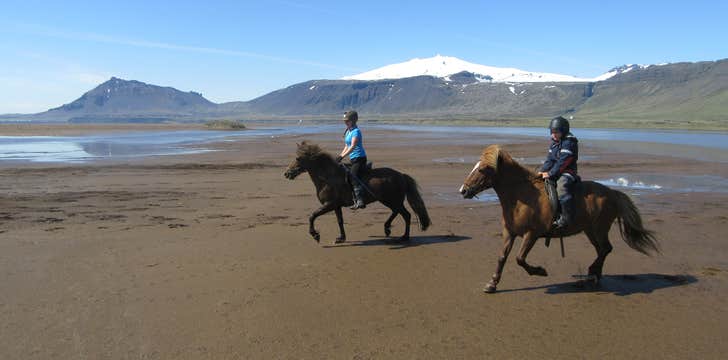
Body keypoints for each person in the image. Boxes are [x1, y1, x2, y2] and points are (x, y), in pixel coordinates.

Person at [538, 116, 579, 229]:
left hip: (567, 172)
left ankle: (566, 218)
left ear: (564, 131)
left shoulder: (569, 143)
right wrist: (541, 172)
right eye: (552, 132)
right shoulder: (554, 143)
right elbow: (550, 160)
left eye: (556, 132)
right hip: (556, 171)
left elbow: (563, 161)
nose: (553, 135)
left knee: (561, 189)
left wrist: (550, 174)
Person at [336, 110, 368, 210]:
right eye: (345, 121)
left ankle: (360, 200)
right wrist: (340, 156)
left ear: (353, 121)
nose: (345, 122)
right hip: (353, 159)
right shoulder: (348, 132)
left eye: (347, 120)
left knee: (353, 176)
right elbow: (347, 145)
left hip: (359, 158)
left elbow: (353, 146)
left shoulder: (356, 132)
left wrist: (342, 156)